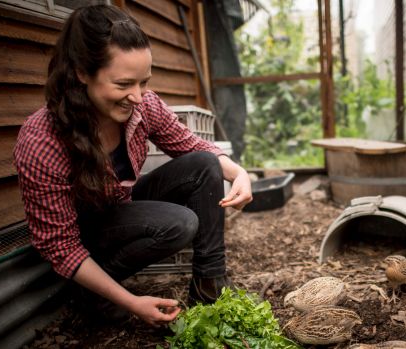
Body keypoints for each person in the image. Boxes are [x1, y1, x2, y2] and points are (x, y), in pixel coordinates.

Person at [13, 4, 252, 327]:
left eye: (144, 82)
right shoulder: (43, 140)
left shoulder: (143, 107)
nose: (138, 96)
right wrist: (131, 302)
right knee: (178, 223)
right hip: (85, 238)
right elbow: (60, 245)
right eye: (124, 84)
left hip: (120, 209)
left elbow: (193, 145)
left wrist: (240, 174)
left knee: (204, 164)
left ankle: (209, 285)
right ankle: (91, 294)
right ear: (82, 72)